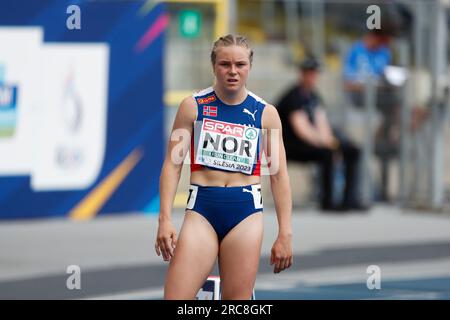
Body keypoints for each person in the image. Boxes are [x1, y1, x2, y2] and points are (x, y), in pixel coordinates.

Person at [155, 34, 293, 300]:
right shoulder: (192, 108)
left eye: (240, 64)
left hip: (245, 214)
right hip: (202, 210)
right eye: (225, 64)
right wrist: (164, 219)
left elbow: (278, 175)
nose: (232, 71)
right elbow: (172, 166)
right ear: (213, 66)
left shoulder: (265, 114)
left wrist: (285, 233)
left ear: (249, 66)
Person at [277, 57, 366, 211]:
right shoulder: (294, 96)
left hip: (309, 143)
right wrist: (328, 144)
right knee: (328, 153)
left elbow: (321, 123)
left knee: (352, 150)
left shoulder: (314, 96)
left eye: (315, 73)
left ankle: (349, 200)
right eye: (309, 72)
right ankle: (328, 202)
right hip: (289, 146)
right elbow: (302, 130)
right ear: (302, 74)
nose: (312, 76)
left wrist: (332, 142)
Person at [343, 28, 399, 202]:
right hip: (361, 99)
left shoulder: (384, 52)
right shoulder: (356, 51)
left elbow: (389, 78)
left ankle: (385, 134)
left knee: (397, 103)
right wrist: (369, 86)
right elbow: (348, 82)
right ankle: (380, 135)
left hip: (381, 99)